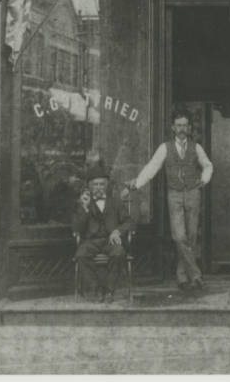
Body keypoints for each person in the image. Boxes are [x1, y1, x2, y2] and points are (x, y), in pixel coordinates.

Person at [127, 109, 213, 292]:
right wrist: (137, 184)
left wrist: (204, 180)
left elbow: (208, 165)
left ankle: (182, 277)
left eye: (185, 125)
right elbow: (152, 167)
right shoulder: (165, 148)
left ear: (189, 128)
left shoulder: (196, 147)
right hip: (174, 194)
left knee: (190, 236)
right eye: (178, 125)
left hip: (192, 193)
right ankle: (196, 274)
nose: (182, 129)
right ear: (173, 128)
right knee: (179, 236)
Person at [72, 160, 134, 303]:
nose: (99, 187)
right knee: (81, 255)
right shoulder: (83, 203)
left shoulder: (116, 202)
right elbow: (76, 228)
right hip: (91, 241)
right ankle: (96, 289)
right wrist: (85, 208)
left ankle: (109, 290)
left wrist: (117, 231)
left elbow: (129, 222)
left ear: (107, 186)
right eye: (95, 184)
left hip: (110, 240)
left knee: (119, 253)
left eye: (102, 184)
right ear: (89, 186)